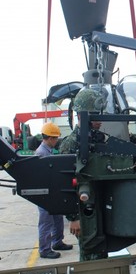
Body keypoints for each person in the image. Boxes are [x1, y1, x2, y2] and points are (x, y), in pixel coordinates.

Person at [59, 88, 107, 261]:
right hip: (84, 212)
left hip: (103, 207)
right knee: (89, 254)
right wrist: (73, 217)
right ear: (82, 116)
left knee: (102, 251)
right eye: (95, 116)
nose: (100, 120)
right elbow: (64, 184)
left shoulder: (99, 138)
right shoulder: (70, 144)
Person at [35, 122, 73, 259]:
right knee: (46, 221)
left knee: (57, 217)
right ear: (50, 138)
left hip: (52, 191)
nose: (57, 141)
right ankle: (44, 250)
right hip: (45, 193)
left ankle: (57, 242)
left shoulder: (47, 151)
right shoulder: (41, 153)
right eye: (56, 138)